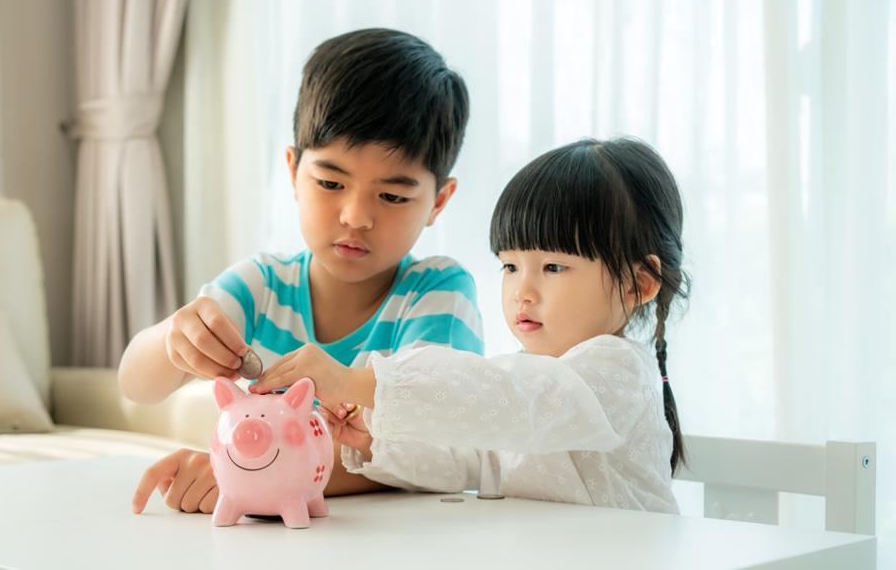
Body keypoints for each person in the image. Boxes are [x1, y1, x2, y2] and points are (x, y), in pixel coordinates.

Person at [124, 28, 486, 514]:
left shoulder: (440, 292)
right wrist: (175, 338)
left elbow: (433, 447)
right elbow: (136, 385)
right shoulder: (261, 286)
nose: (356, 215)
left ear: (438, 201)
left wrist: (261, 475)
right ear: (293, 171)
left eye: (394, 196)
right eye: (331, 181)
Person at [251, 137, 689, 513]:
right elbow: (464, 459)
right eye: (511, 267)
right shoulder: (526, 379)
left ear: (638, 283)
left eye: (553, 267)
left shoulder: (617, 373)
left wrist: (355, 382)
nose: (523, 291)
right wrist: (374, 442)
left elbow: (512, 398)